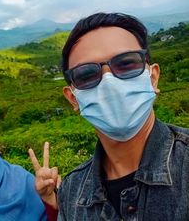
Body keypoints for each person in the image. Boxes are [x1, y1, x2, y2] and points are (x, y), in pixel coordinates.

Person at [29, 13, 189, 220]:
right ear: (73, 98)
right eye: (86, 74)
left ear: (153, 77)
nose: (109, 82)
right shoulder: (71, 192)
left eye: (127, 64)